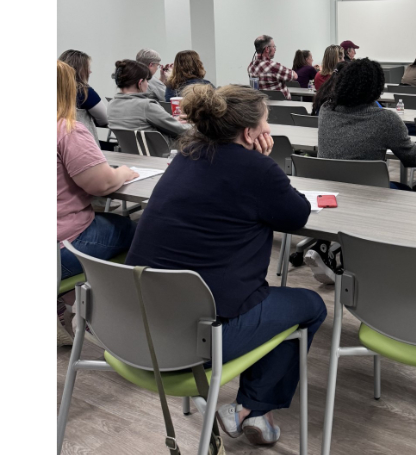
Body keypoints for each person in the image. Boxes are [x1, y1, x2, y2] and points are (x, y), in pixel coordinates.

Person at [126, 84, 326, 446]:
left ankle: (252, 410)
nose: (267, 132)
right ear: (250, 133)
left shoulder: (185, 155)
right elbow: (297, 213)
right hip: (194, 340)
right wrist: (268, 163)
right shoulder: (257, 169)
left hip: (135, 326)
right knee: (310, 306)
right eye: (265, 125)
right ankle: (252, 407)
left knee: (270, 303)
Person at [57, 60, 138, 281]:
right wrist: (123, 172)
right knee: (142, 230)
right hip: (63, 248)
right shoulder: (66, 130)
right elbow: (102, 185)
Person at [318, 57, 416, 177]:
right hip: (369, 191)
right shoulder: (386, 119)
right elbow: (412, 158)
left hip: (328, 189)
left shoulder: (326, 109)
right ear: (377, 87)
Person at [107, 59, 187, 145]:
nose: (148, 84)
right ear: (140, 83)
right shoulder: (146, 106)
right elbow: (181, 130)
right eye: (147, 80)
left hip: (130, 154)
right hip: (162, 153)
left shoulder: (112, 104)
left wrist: (172, 120)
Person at [59, 49, 108, 147]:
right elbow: (104, 119)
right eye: (87, 68)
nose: (90, 71)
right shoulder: (85, 92)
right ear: (80, 70)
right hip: (80, 147)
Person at [248, 35, 297, 99]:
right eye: (274, 47)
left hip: (262, 106)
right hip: (282, 106)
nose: (275, 49)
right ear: (267, 49)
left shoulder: (251, 67)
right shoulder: (273, 67)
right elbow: (295, 76)